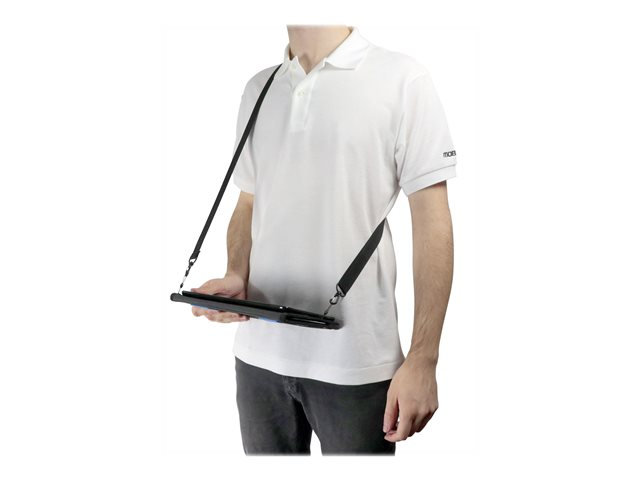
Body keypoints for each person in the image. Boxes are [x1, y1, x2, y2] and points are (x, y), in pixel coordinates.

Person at [190, 24, 457, 455]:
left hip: (356, 363)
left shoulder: (402, 78)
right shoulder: (260, 87)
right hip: (257, 356)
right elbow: (249, 200)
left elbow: (431, 220)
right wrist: (236, 274)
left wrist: (424, 358)